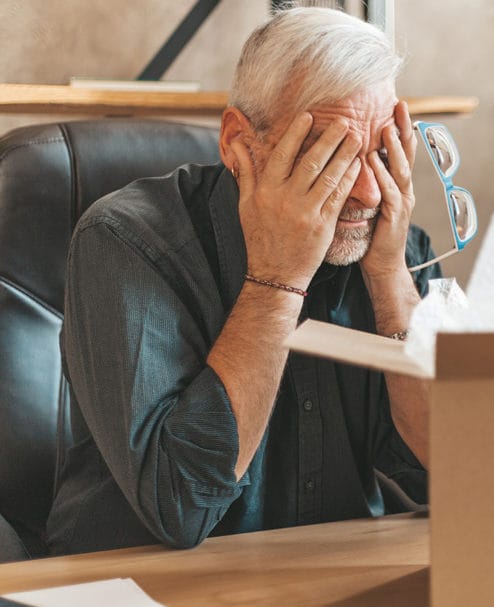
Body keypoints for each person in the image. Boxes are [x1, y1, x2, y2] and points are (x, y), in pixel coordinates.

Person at [45, 7, 437, 555]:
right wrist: (278, 281)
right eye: (330, 158)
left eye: (380, 153)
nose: (370, 194)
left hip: (333, 577)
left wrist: (392, 278)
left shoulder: (391, 244)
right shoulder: (124, 240)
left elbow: (453, 476)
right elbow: (181, 506)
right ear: (238, 144)